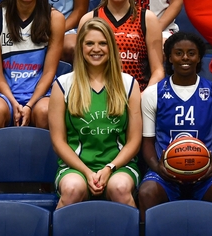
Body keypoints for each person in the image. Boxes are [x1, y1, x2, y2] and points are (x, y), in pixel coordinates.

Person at [138, 32, 212, 221]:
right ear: (169, 57)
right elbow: (147, 141)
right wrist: (158, 168)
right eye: (178, 53)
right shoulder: (152, 94)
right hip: (165, 172)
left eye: (191, 53)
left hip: (206, 172)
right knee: (147, 192)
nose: (185, 58)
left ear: (198, 58)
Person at [49, 18, 142, 209]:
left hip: (118, 166)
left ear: (111, 47)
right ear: (81, 47)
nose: (96, 49)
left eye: (102, 43)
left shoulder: (128, 84)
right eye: (89, 43)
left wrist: (109, 168)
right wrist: (87, 172)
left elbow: (134, 140)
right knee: (73, 188)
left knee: (121, 188)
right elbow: (59, 142)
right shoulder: (63, 84)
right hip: (76, 167)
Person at [0, 0, 65, 132]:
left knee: (44, 112)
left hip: (41, 93)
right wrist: (14, 103)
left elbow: (49, 71)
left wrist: (29, 105)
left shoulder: (55, 19)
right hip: (4, 92)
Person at [79, 0, 164, 91]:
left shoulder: (147, 18)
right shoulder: (89, 19)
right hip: (98, 95)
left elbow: (158, 71)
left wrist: (144, 97)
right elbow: (80, 68)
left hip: (137, 93)